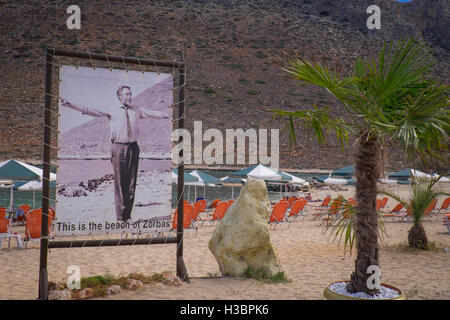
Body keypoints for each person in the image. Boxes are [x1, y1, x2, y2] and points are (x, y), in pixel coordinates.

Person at [60, 85, 168, 222]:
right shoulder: (111, 109)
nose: (129, 96)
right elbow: (89, 109)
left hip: (134, 148)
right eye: (126, 94)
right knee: (120, 183)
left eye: (130, 94)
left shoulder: (137, 110)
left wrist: (166, 115)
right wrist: (69, 104)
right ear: (119, 97)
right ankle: (120, 217)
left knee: (132, 183)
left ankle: (127, 216)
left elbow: (153, 113)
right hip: (118, 148)